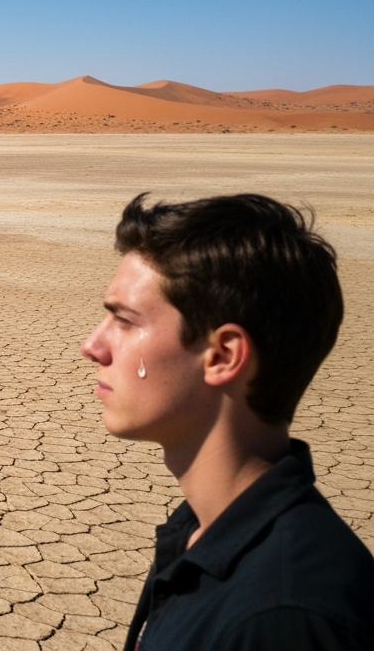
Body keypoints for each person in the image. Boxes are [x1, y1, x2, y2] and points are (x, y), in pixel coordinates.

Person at [80, 193, 374, 650]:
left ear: (223, 356)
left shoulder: (283, 619)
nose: (93, 346)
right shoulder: (202, 532)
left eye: (124, 320)